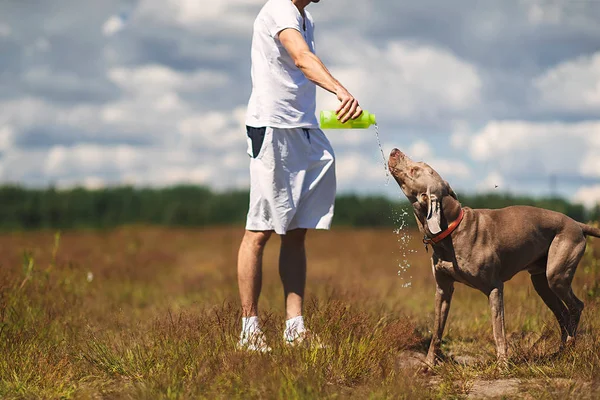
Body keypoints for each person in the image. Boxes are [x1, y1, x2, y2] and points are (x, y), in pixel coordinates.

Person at [238, 0, 362, 351]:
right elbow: (301, 58)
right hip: (273, 128)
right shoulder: (280, 8)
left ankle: (295, 329)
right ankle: (249, 331)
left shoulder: (306, 17)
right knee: (259, 231)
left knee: (296, 232)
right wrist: (340, 89)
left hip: (303, 129)